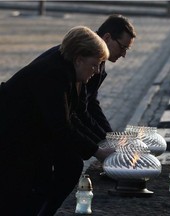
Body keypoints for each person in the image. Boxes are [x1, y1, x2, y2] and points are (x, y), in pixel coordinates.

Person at [0, 26, 110, 215]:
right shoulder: (53, 73)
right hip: (11, 133)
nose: (97, 70)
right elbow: (61, 125)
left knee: (71, 164)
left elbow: (76, 116)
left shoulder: (77, 76)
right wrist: (98, 152)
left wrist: (103, 143)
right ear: (79, 59)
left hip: (33, 134)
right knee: (20, 193)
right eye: (94, 64)